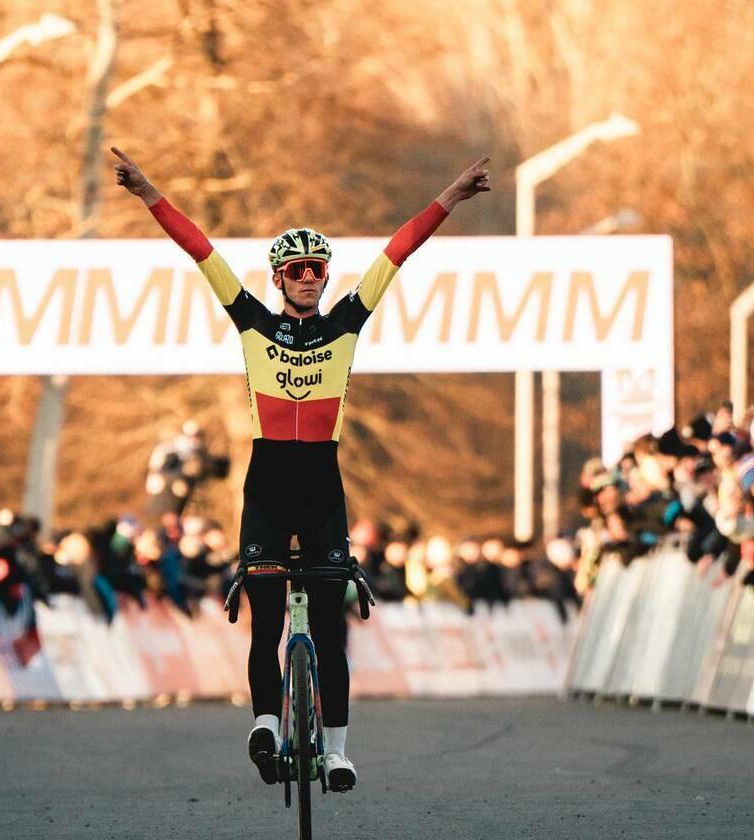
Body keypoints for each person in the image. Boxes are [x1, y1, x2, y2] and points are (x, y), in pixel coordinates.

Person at [113, 145, 490, 792]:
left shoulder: (347, 321)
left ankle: (337, 753)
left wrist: (450, 197)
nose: (312, 276)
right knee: (267, 625)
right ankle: (264, 722)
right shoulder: (251, 321)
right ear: (280, 278)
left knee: (329, 630)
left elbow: (396, 254)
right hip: (267, 486)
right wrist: (150, 193)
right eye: (299, 268)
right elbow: (202, 253)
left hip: (322, 488)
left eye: (319, 267)